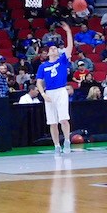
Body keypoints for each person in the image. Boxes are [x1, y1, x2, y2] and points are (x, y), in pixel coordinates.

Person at [36, 22, 75, 155]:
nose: (53, 49)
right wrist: (42, 94)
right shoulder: (43, 66)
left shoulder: (62, 60)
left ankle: (67, 141)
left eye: (55, 48)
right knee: (52, 122)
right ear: (47, 54)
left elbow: (70, 46)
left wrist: (68, 31)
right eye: (50, 48)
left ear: (58, 52)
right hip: (49, 93)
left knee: (63, 119)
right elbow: (39, 82)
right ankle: (57, 145)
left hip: (61, 91)